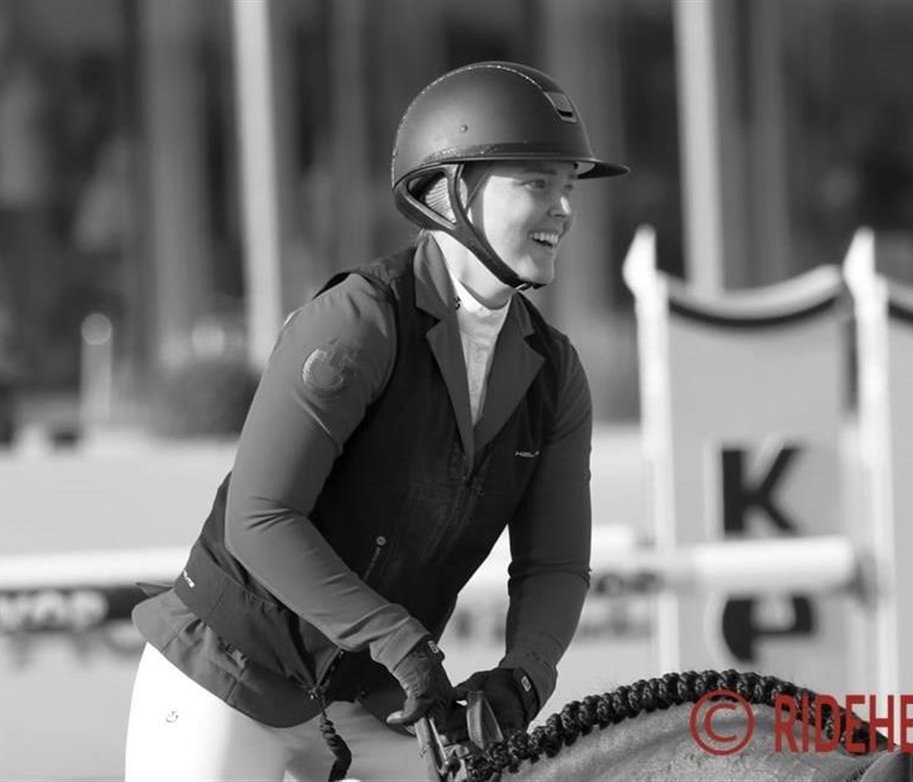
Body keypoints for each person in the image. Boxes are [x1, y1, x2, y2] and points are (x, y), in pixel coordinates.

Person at [123, 60, 627, 782]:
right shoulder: (357, 322)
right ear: (448, 192)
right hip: (229, 677)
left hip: (376, 701)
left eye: (568, 187)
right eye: (536, 184)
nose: (565, 209)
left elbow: (554, 564)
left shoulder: (556, 373)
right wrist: (398, 641)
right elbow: (261, 517)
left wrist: (526, 674)